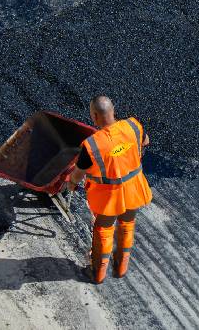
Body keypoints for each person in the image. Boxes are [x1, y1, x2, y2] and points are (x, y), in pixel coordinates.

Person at [68, 95, 153, 284]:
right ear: (113, 111)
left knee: (103, 232)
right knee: (126, 226)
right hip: (134, 189)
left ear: (95, 116)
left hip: (109, 197)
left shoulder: (92, 145)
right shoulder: (133, 126)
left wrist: (71, 183)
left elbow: (78, 173)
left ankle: (97, 274)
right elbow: (145, 141)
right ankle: (121, 267)